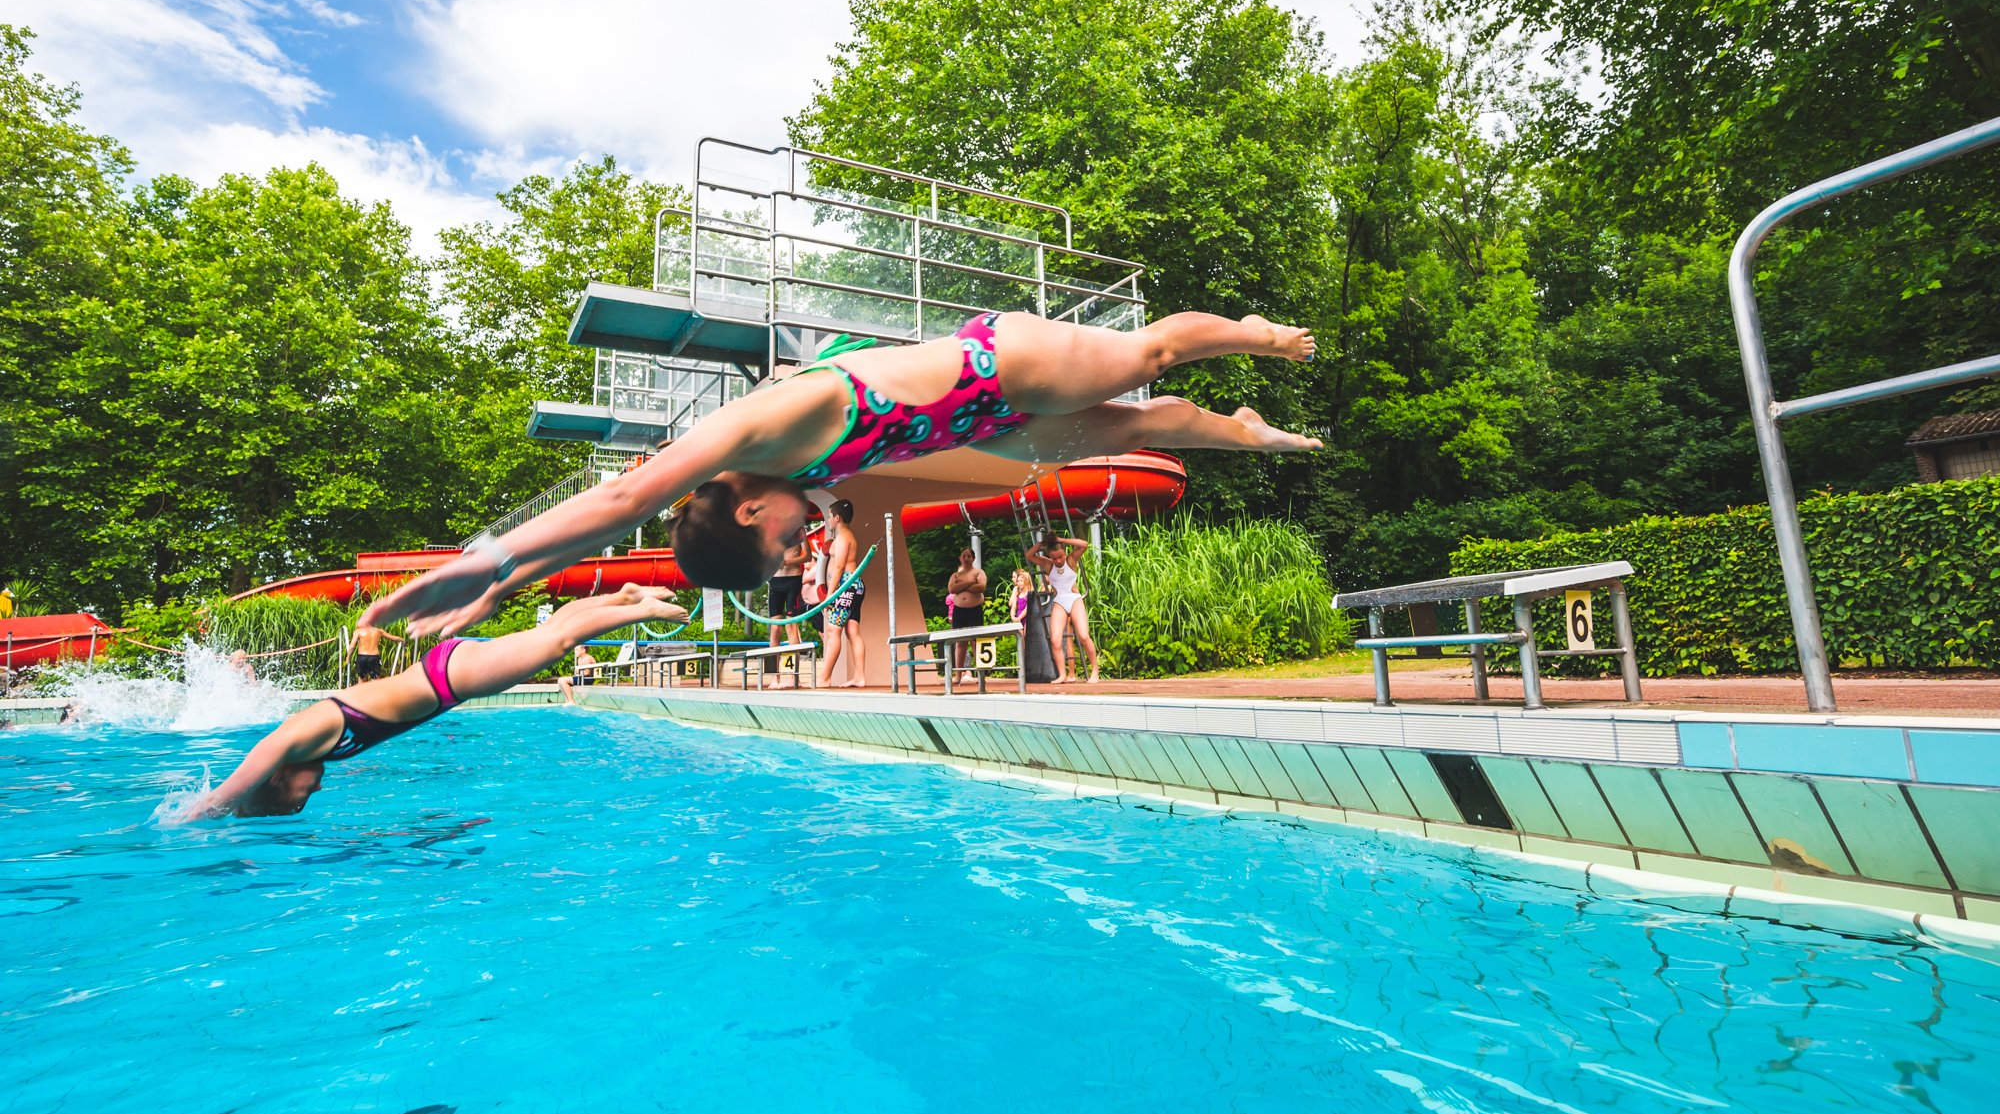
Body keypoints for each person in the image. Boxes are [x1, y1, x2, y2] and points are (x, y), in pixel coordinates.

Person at [362, 310, 1319, 637]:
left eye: (781, 540)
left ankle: (1257, 339)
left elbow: (622, 501)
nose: (800, 538)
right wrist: (512, 586)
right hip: (994, 422)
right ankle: (1241, 431)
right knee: (1102, 439)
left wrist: (485, 559)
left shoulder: (760, 429)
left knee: (1147, 359)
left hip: (1001, 365)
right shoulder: (783, 484)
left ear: (745, 511)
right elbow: (618, 535)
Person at [177, 585, 687, 820]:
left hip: (449, 678)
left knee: (555, 642)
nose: (311, 794)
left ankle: (634, 607)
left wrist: (187, 825)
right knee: (550, 632)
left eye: (300, 797)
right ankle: (619, 597)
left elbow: (222, 794)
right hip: (446, 677)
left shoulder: (293, 738)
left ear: (279, 778)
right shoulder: (311, 746)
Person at [1028, 536, 1100, 683]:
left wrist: (1061, 539)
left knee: (1084, 636)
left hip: (1074, 599)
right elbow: (1029, 555)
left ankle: (1095, 671)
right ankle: (1062, 674)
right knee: (1055, 640)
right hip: (1059, 601)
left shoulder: (1071, 560)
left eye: (1060, 556)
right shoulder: (1048, 565)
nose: (1058, 561)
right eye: (1054, 558)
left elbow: (1084, 544)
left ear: (1065, 553)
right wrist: (1042, 544)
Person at [818, 500, 867, 688]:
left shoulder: (843, 538)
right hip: (855, 586)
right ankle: (859, 676)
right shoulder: (848, 536)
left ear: (837, 518)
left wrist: (829, 596)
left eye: (829, 517)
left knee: (832, 630)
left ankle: (825, 678)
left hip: (846, 587)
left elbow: (839, 566)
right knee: (853, 631)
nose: (828, 520)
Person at [946, 548, 988, 684]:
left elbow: (981, 587)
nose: (966, 558)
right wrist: (970, 583)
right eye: (963, 556)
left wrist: (962, 586)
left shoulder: (979, 572)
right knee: (960, 643)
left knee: (977, 642)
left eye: (969, 556)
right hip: (959, 611)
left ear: (973, 558)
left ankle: (981, 675)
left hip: (975, 610)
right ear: (960, 558)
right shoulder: (955, 576)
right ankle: (958, 675)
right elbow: (952, 589)